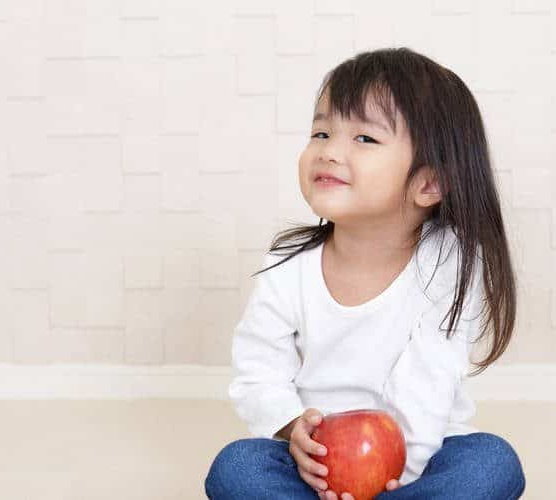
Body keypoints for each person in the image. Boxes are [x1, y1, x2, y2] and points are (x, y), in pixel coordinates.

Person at [204, 47, 527, 499]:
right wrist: (296, 431)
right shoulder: (288, 262)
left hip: (422, 455)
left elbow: (427, 387)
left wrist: (390, 477)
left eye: (365, 139)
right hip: (315, 461)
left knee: (491, 463)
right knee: (237, 466)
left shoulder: (448, 261)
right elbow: (259, 370)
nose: (329, 152)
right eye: (321, 132)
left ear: (429, 183)